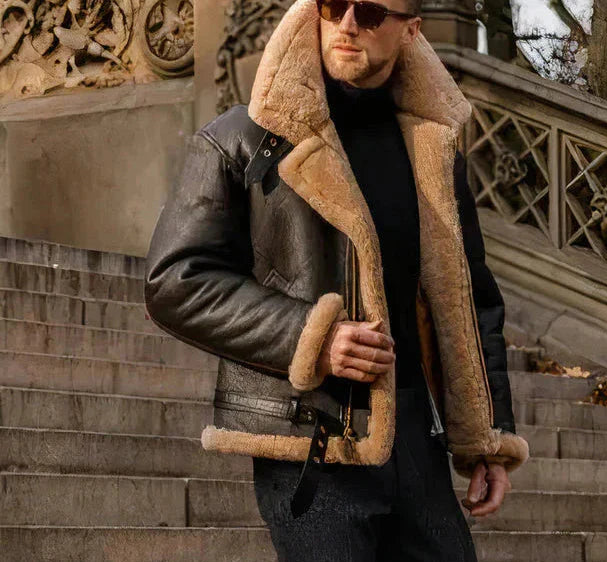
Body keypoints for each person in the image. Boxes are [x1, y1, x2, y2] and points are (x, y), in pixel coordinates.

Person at [143, 0, 530, 559]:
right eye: (333, 5)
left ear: (410, 29)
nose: (347, 24)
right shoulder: (243, 137)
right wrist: (311, 336)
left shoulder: (433, 149)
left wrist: (487, 437)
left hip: (416, 440)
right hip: (311, 437)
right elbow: (174, 279)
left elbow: (473, 298)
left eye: (369, 13)